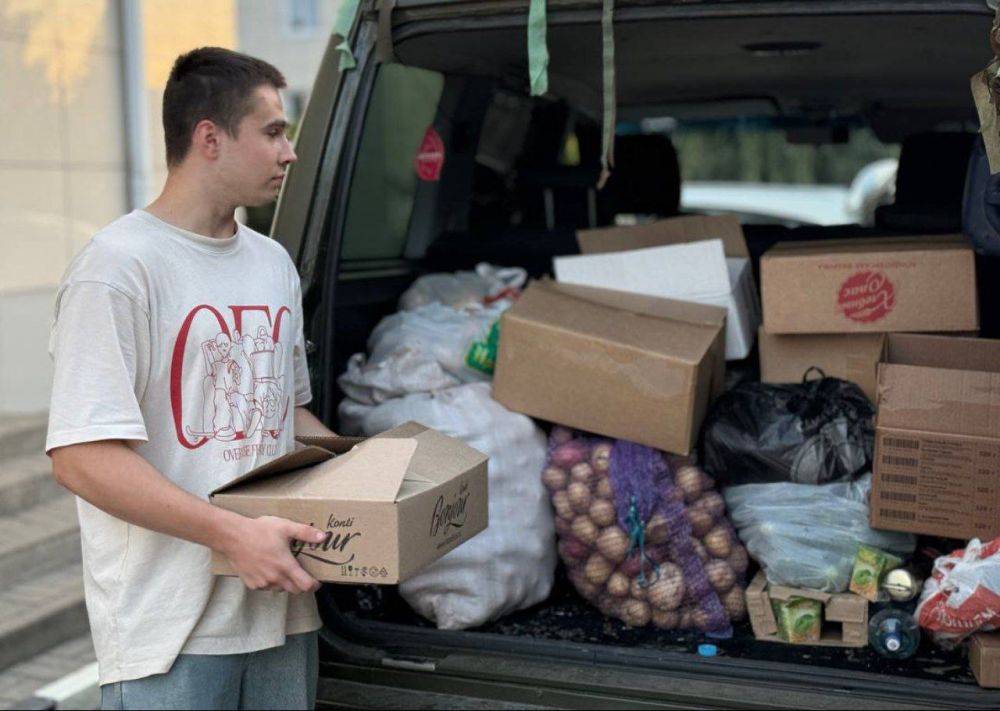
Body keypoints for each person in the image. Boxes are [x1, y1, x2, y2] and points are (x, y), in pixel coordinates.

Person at [45, 47, 336, 710]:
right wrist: (233, 534)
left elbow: (284, 415)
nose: (289, 152)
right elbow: (82, 457)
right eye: (272, 132)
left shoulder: (271, 263)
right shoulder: (118, 268)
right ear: (210, 137)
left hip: (281, 612)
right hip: (169, 634)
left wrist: (379, 471)